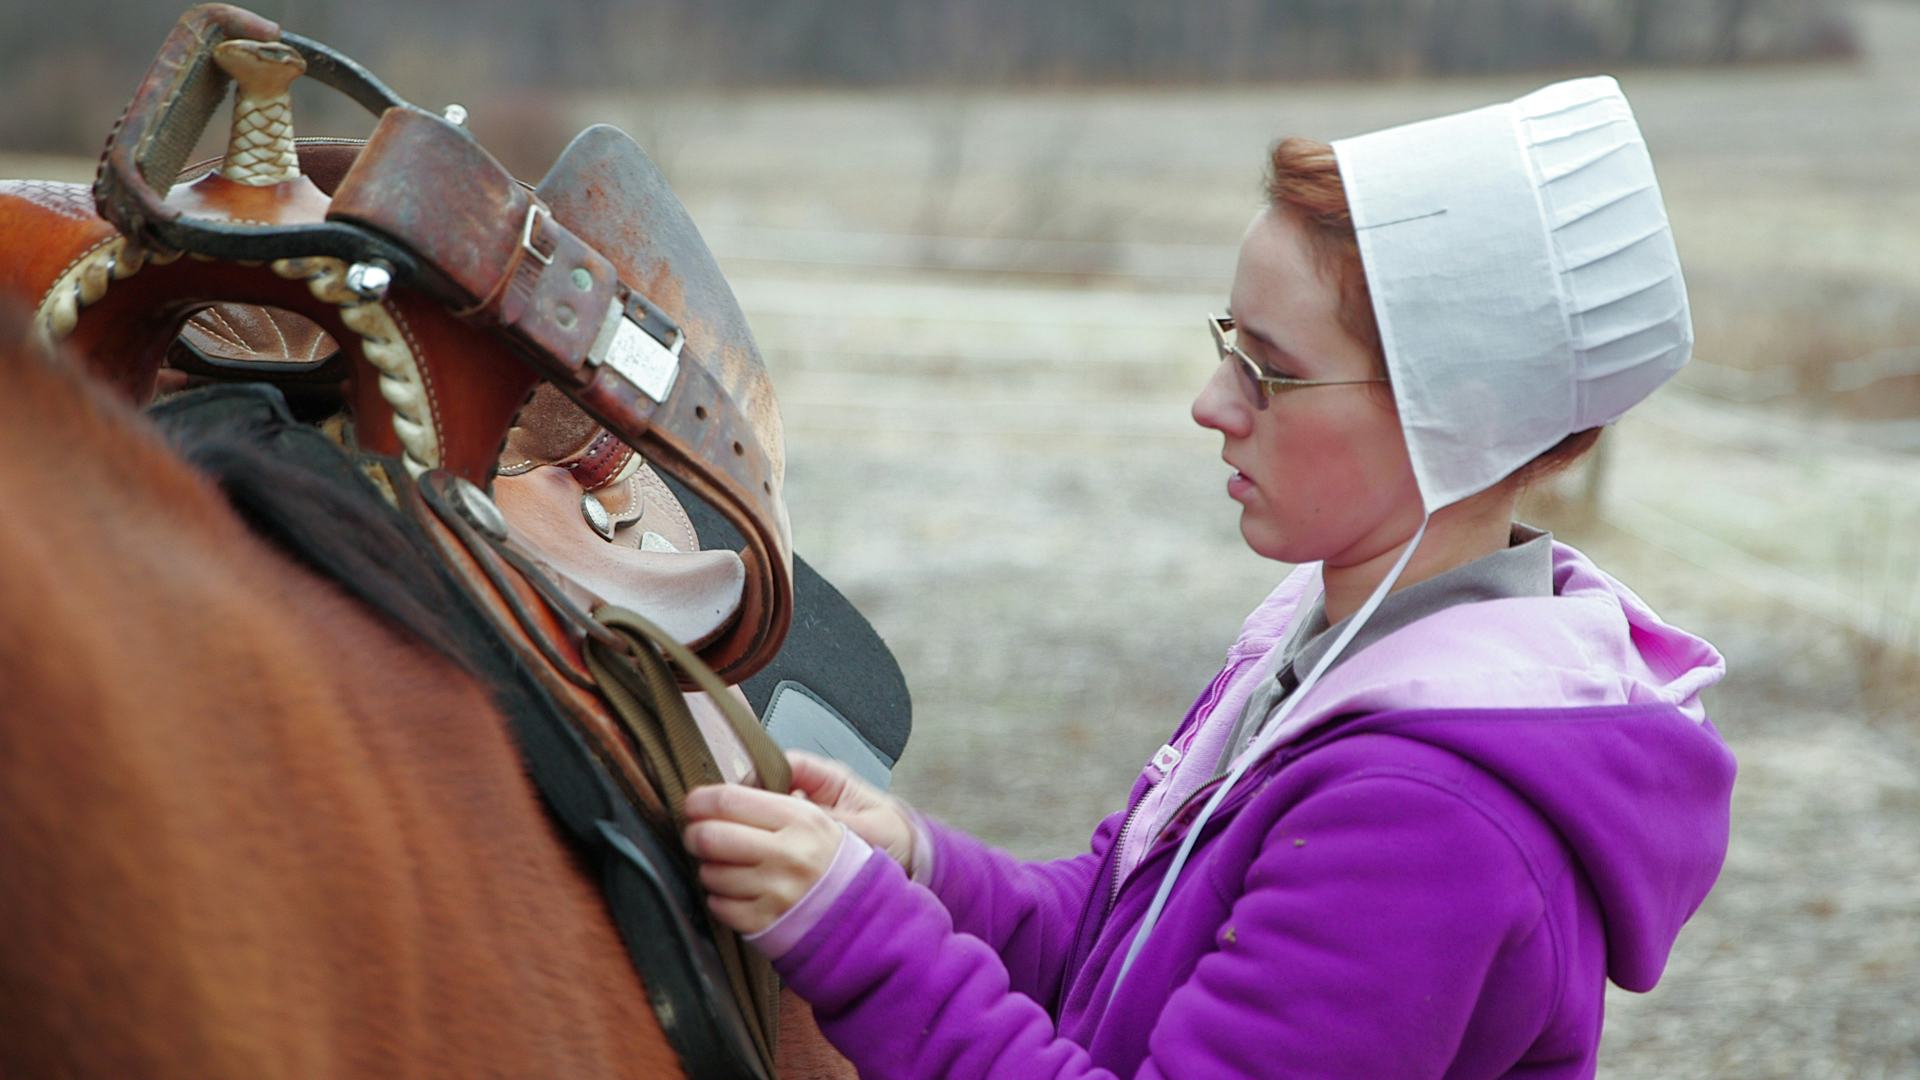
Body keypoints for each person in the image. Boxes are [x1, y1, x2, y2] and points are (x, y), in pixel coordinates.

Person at [681, 75, 1736, 1079]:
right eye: (1228, 343)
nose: (1211, 402)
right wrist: (916, 864)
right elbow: (1113, 944)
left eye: (1268, 371)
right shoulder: (1333, 647)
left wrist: (855, 931)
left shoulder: (1430, 817)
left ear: (1446, 422)